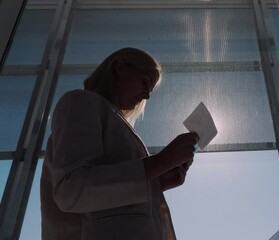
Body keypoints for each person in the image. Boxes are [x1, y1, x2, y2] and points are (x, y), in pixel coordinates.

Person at [40, 48, 199, 240]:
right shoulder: (80, 102)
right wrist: (159, 163)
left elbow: (112, 198)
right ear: (120, 67)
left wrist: (157, 183)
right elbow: (72, 189)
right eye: (145, 82)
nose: (147, 96)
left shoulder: (112, 120)